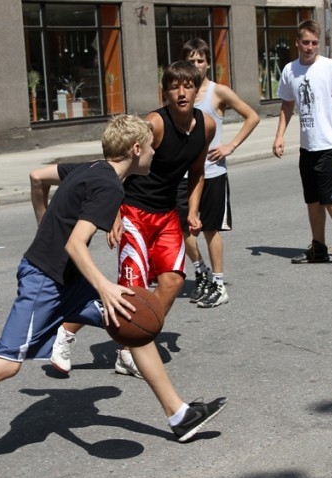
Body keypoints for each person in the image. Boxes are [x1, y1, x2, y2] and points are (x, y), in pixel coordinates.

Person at [0, 114, 226, 475]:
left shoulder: (92, 168)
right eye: (151, 146)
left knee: (131, 318)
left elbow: (37, 176)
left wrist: (45, 222)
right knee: (6, 363)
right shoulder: (111, 188)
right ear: (136, 149)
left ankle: (179, 415)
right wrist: (105, 286)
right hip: (46, 280)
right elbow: (77, 244)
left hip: (68, 280)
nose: (156, 151)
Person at [48, 61, 216, 377]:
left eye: (188, 86)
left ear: (197, 89)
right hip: (133, 211)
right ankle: (65, 331)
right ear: (165, 91)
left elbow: (197, 172)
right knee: (129, 291)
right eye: (174, 86)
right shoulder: (155, 123)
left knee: (173, 281)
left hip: (167, 215)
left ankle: (130, 346)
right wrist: (112, 213)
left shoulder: (206, 126)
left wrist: (192, 211)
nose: (181, 93)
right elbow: (119, 164)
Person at [272, 19, 332, 269]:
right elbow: (287, 105)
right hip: (308, 146)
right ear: (297, 42)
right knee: (313, 199)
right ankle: (319, 247)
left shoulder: (330, 67)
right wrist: (279, 135)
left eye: (315, 43)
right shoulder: (290, 70)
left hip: (331, 144)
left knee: (330, 197)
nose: (310, 47)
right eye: (306, 42)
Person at [177, 38, 260, 308]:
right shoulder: (181, 94)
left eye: (200, 60)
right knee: (183, 229)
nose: (196, 65)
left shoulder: (218, 92)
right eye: (191, 61)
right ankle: (201, 272)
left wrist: (230, 146)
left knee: (211, 229)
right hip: (184, 176)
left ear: (208, 64)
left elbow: (252, 116)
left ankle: (219, 284)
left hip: (212, 173)